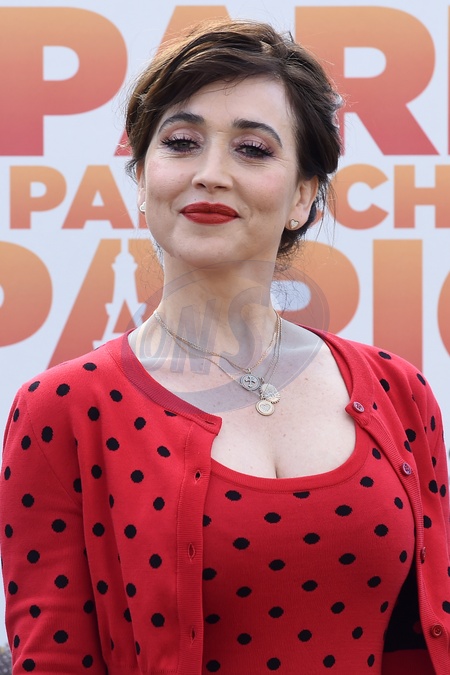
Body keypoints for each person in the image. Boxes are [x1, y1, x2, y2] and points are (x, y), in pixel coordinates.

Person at [1, 18, 449, 675]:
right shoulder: (63, 407)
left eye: (253, 149)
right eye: (181, 142)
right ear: (143, 180)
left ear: (303, 197)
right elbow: (55, 659)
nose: (210, 174)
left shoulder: (397, 391)